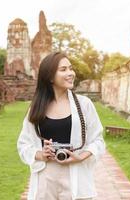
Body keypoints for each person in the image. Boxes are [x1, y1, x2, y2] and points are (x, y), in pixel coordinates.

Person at [17, 52, 106, 200]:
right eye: (63, 69)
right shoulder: (37, 107)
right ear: (50, 77)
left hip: (76, 176)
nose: (70, 73)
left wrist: (80, 157)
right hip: (45, 178)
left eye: (70, 68)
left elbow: (98, 141)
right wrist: (41, 154)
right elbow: (23, 144)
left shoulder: (84, 105)